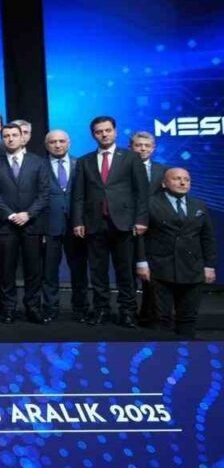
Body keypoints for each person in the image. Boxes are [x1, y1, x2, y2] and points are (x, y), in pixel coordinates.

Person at [71, 115, 149, 328]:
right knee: (98, 272)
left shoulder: (131, 157)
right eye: (99, 132)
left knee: (126, 272)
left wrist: (141, 220)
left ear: (115, 131)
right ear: (93, 135)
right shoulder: (84, 161)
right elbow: (78, 195)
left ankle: (127, 312)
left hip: (124, 223)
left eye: (107, 130)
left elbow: (141, 192)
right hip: (94, 223)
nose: (104, 134)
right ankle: (101, 310)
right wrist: (78, 221)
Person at [0, 123, 51, 323]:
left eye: (14, 135)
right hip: (5, 225)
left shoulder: (38, 163)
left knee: (33, 270)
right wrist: (10, 215)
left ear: (23, 138)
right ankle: (8, 309)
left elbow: (44, 193)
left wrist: (28, 214)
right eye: (6, 136)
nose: (10, 139)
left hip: (32, 224)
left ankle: (33, 308)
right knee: (6, 270)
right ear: (2, 139)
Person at [136, 168, 216, 338]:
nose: (182, 182)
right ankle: (164, 352)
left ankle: (187, 349)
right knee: (160, 318)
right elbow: (140, 236)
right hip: (160, 268)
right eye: (177, 179)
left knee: (188, 318)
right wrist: (142, 262)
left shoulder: (199, 205)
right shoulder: (149, 203)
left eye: (187, 179)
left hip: (192, 269)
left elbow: (207, 237)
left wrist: (209, 266)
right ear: (164, 183)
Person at [42, 129, 84, 323]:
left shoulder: (80, 164)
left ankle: (80, 308)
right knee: (49, 271)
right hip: (49, 226)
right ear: (46, 145)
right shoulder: (39, 165)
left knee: (79, 270)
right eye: (53, 142)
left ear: (69, 143)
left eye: (61, 141)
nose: (57, 145)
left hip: (76, 226)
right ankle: (51, 308)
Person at [129, 130, 166, 325]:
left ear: (153, 148)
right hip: (128, 224)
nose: (142, 149)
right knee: (129, 271)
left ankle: (149, 313)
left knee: (152, 272)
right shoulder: (122, 168)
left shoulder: (163, 170)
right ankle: (129, 312)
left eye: (147, 146)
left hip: (155, 228)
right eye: (138, 145)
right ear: (131, 147)